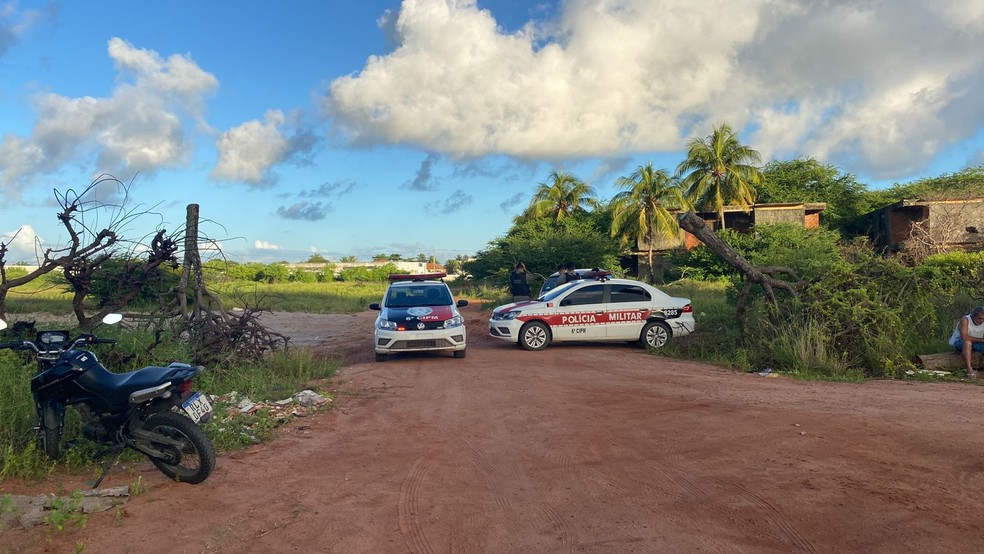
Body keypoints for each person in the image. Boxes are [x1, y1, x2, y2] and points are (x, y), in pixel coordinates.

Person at [949, 306, 984, 378]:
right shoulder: (966, 320)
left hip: (976, 342)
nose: (982, 321)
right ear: (974, 316)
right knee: (967, 342)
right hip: (959, 341)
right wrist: (981, 340)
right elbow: (964, 337)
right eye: (979, 318)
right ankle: (969, 369)